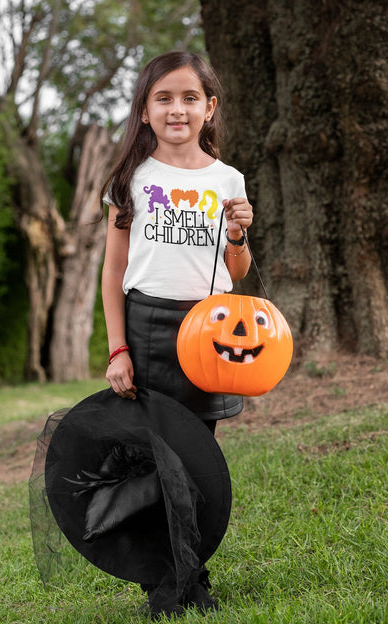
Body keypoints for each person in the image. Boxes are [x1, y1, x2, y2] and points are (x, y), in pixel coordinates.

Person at [100, 51, 253, 617]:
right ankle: (164, 581)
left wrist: (238, 234)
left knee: (196, 460)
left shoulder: (227, 178)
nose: (177, 108)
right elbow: (113, 272)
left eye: (190, 97)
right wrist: (118, 349)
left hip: (209, 332)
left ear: (209, 108)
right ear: (144, 110)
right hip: (146, 328)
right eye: (163, 97)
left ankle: (192, 574)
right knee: (153, 463)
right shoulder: (131, 180)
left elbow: (235, 271)